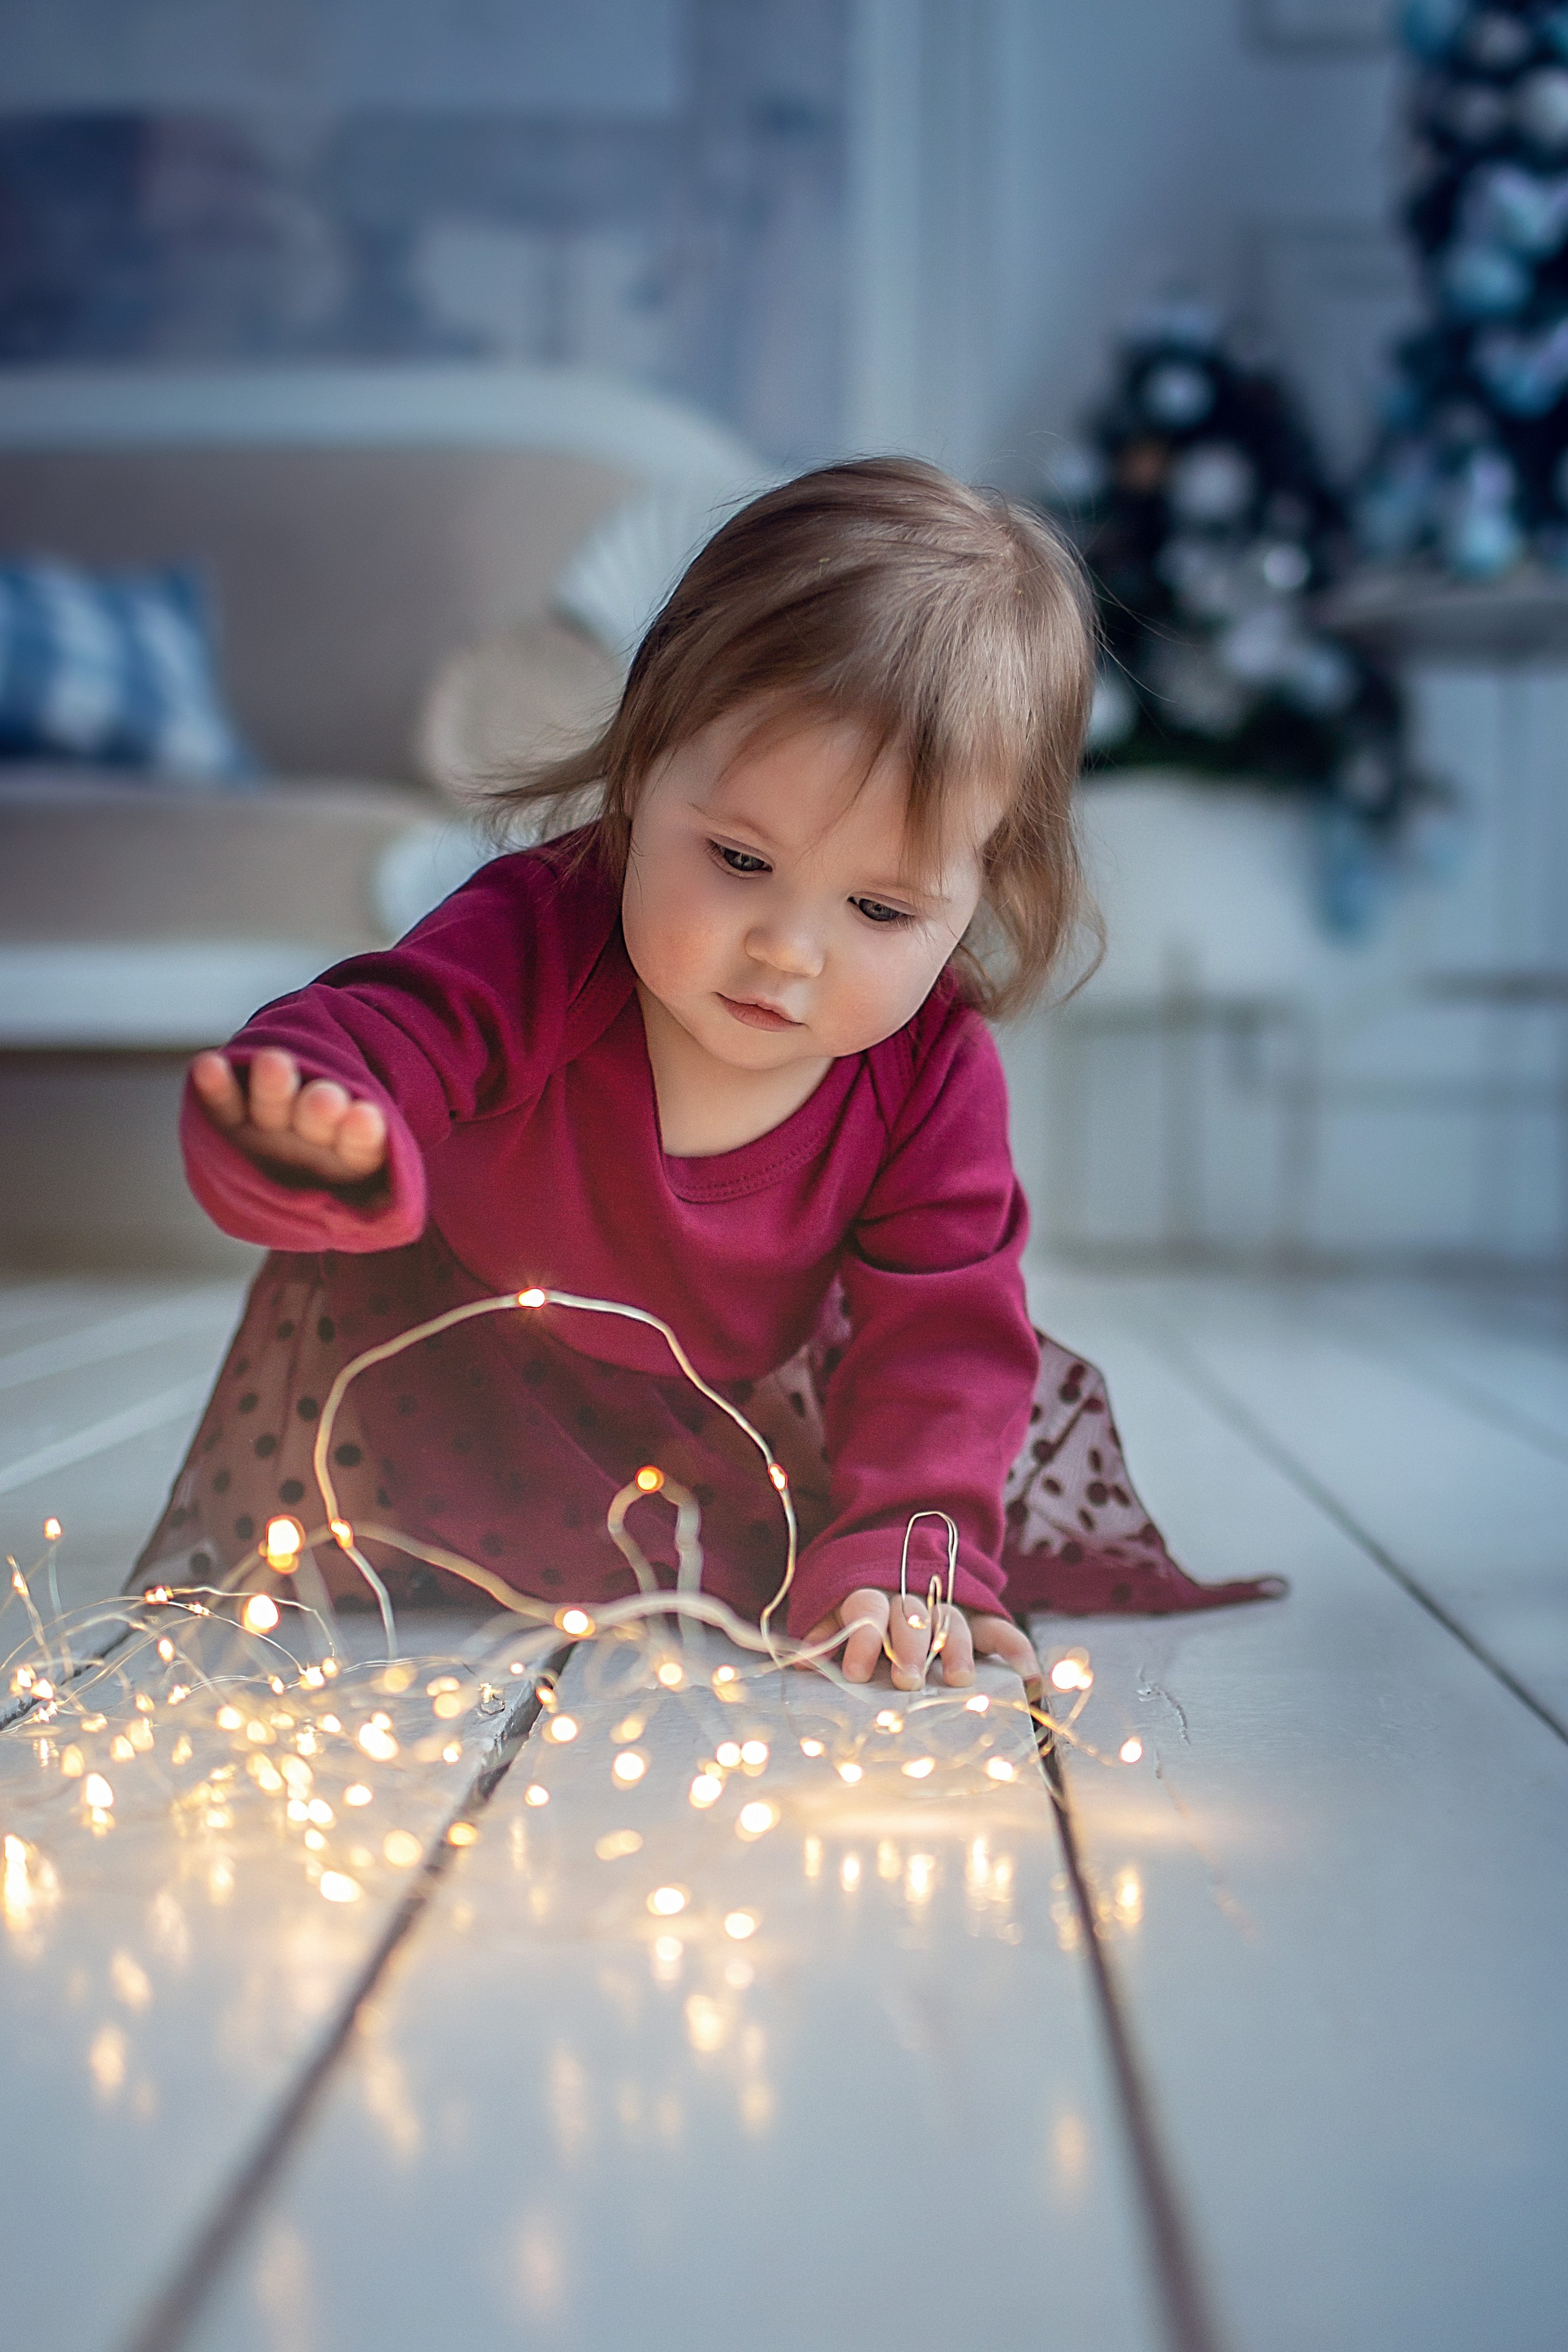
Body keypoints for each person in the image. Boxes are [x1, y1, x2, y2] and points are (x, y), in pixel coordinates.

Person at [137, 459, 1281, 1692]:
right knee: (382, 1638)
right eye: (738, 859)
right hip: (427, 1399)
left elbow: (943, 1338)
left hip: (711, 1444)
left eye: (880, 908)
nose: (787, 950)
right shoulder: (540, 933)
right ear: (642, 768)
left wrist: (906, 1552)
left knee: (789, 1579)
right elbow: (380, 1034)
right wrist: (315, 1125)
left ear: (983, 889)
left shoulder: (929, 1072)